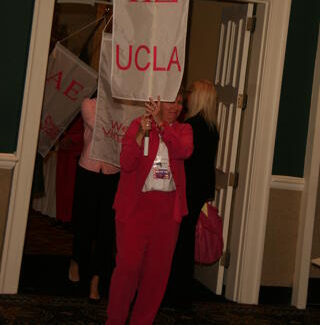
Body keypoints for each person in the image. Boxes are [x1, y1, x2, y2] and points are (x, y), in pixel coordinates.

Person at [106, 92, 193, 325]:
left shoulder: (183, 130)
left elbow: (183, 150)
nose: (176, 106)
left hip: (167, 213)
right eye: (171, 101)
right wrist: (141, 135)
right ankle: (114, 320)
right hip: (136, 209)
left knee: (156, 276)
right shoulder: (138, 125)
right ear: (157, 101)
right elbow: (126, 163)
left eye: (180, 102)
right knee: (128, 269)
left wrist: (163, 125)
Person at [163, 80, 219, 311]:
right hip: (200, 191)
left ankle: (176, 295)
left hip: (188, 191)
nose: (186, 96)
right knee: (184, 243)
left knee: (180, 244)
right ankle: (182, 295)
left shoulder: (193, 125)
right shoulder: (212, 126)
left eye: (191, 93)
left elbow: (186, 160)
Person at [68, 98, 120, 302]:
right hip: (88, 170)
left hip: (113, 172)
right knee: (84, 222)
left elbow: (125, 135)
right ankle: (76, 259)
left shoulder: (124, 109)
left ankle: (96, 279)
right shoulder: (88, 104)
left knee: (106, 229)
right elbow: (102, 130)